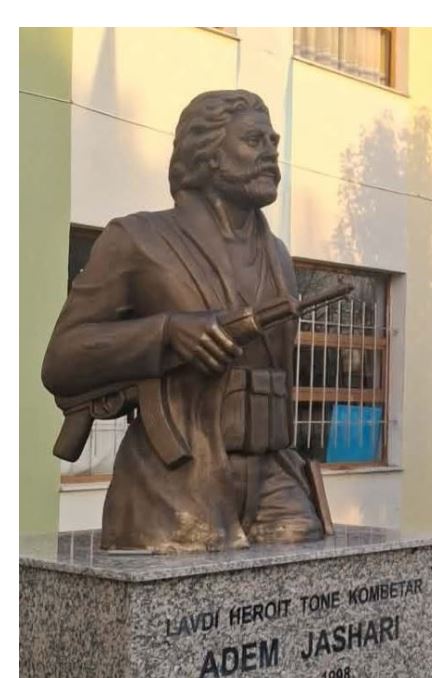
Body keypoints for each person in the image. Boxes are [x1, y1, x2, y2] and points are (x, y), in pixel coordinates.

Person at [42, 90, 326, 553]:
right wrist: (167, 332)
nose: (271, 152)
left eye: (273, 141)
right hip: (177, 474)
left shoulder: (277, 255)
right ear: (208, 153)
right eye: (253, 140)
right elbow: (62, 359)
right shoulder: (137, 238)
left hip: (273, 474)